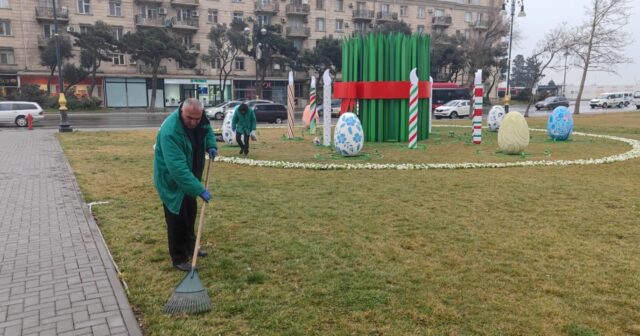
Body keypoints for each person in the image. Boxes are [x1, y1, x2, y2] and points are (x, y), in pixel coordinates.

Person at [153, 98, 218, 272]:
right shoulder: (170, 132)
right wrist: (198, 189)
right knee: (177, 219)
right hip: (172, 181)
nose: (194, 122)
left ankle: (191, 246)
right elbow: (177, 168)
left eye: (197, 118)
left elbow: (207, 131)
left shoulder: (200, 119)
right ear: (181, 111)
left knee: (190, 214)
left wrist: (211, 144)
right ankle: (179, 257)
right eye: (190, 118)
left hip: (191, 177)